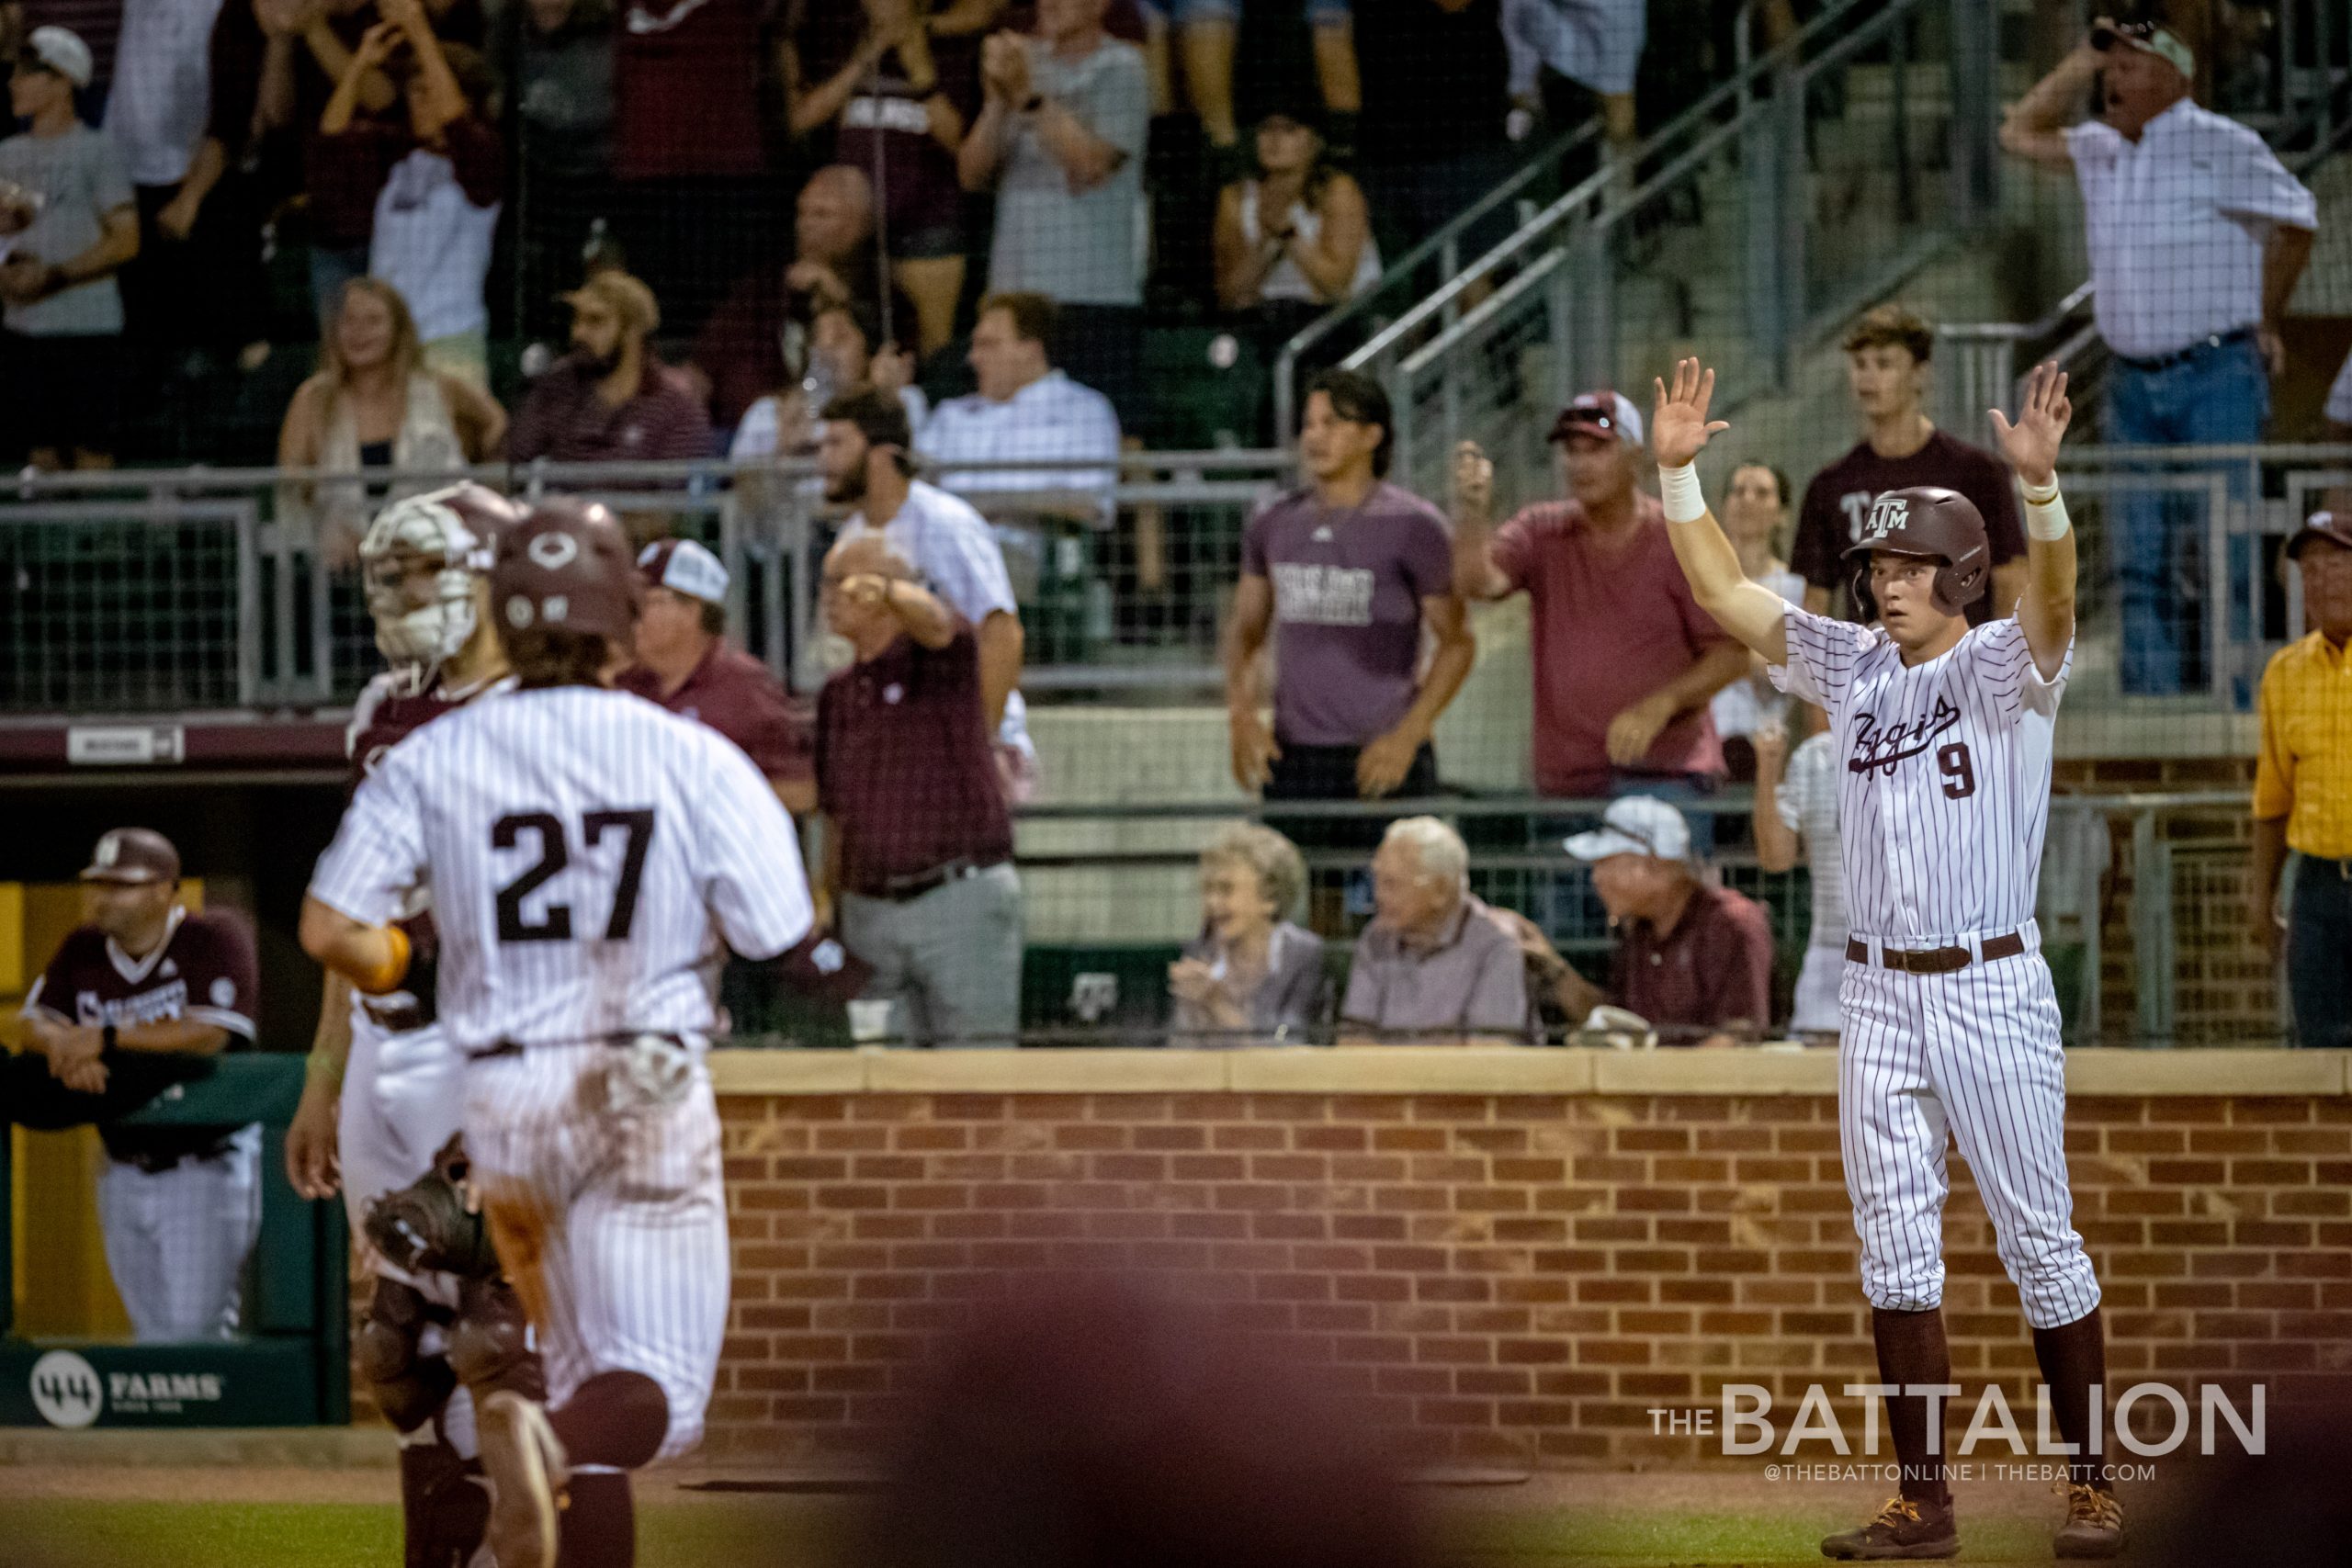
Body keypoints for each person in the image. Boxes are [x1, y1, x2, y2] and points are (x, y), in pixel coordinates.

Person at [1652, 355, 2120, 1558]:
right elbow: (1724, 593)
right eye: (1881, 566)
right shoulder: (1852, 666)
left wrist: (2045, 493)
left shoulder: (1998, 665)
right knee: (1896, 1243)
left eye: (1912, 565)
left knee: (2040, 1237)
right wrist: (1678, 473)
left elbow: (2056, 605)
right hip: (1874, 987)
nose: (1889, 582)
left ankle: (2092, 1480)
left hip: (1990, 979)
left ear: (1963, 571)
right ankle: (1925, 1500)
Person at [302, 497, 815, 1568]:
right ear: (621, 617)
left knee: (468, 1346)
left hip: (496, 1090)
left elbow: (328, 927)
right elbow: (779, 931)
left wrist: (405, 967)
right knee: (650, 1402)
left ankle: (528, 1458)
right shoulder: (687, 750)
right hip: (639, 1074)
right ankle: (540, 1445)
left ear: (499, 606)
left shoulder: (436, 752)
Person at [282, 481, 531, 1568]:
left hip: (482, 1029)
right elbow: (353, 901)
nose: (407, 590)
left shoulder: (543, 704)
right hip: (380, 1032)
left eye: (429, 566)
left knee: (494, 1310)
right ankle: (438, 1544)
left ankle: (516, 1542)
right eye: (395, 571)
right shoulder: (379, 704)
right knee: (398, 1339)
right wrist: (320, 1071)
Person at [2001, 17, 2316, 695]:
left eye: (2131, 66)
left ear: (2178, 77)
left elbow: (2299, 220)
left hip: (2217, 374)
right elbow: (2015, 132)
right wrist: (2083, 59)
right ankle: (2154, 711)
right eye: (2110, 69)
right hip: (2131, 386)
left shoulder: (2222, 143)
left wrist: (2265, 316)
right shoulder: (2100, 147)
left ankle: (2238, 711)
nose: (2115, 78)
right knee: (2137, 559)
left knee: (2227, 547)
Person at [1228, 370, 1473, 916]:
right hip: (1299, 755)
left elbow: (1457, 644)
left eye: (1333, 423)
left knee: (1402, 905)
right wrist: (1242, 714)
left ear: (1373, 435)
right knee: (1309, 909)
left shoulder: (1413, 525)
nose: (1314, 437)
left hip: (1383, 751)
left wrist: (1408, 736)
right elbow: (1244, 632)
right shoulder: (1273, 521)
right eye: (1308, 424)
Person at [14, 829, 261, 1342]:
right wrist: (68, 1048)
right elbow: (31, 1023)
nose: (101, 896)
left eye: (119, 885)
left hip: (204, 1161)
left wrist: (102, 1038)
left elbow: (208, 1033)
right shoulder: (82, 947)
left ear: (163, 890)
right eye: (96, 883)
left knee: (195, 1336)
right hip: (120, 1164)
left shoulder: (210, 937)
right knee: (151, 1338)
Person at [1450, 397, 1747, 815]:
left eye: (1597, 449)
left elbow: (1733, 654)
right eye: (1572, 451)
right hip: (1567, 784)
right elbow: (1478, 583)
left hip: (1665, 778)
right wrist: (1472, 513)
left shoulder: (1678, 537)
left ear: (1636, 457)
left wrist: (1660, 704)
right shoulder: (1541, 530)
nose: (1580, 464)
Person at [814, 532, 1023, 1047]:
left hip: (956, 898)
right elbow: (835, 812)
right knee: (881, 1081)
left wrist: (889, 590)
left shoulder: (941, 663)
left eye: (844, 583)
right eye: (827, 583)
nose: (831, 596)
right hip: (869, 912)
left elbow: (937, 625)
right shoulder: (837, 693)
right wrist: (827, 896)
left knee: (977, 1080)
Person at [822, 385, 1037, 797]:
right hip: (906, 746)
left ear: (881, 455)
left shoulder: (945, 524)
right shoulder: (851, 537)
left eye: (837, 444)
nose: (823, 460)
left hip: (972, 742)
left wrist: (979, 743)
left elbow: (1002, 635)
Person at [957, 0, 1149, 415]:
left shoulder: (1122, 67)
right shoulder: (1022, 63)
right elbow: (971, 174)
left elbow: (1091, 165)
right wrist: (995, 100)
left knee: (1114, 435)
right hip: (1016, 300)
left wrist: (1027, 97)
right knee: (1007, 422)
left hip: (1093, 294)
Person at [1788, 306, 2028, 626]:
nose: (1868, 377)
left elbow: (2011, 581)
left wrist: (2001, 668)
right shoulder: (1830, 485)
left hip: (1962, 668)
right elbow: (1814, 604)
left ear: (1919, 373)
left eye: (1884, 363)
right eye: (1860, 364)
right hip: (1872, 670)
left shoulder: (1977, 472)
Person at [318, 0, 503, 383]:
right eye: (414, 92)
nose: (420, 102)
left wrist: (419, 31)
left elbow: (457, 125)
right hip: (385, 346)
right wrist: (361, 63)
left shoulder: (483, 156)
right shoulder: (396, 158)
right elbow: (333, 136)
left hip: (449, 345)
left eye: (429, 90)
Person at [782, 0, 977, 356]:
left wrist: (921, 73)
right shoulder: (848, 46)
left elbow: (960, 144)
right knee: (848, 334)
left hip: (927, 232)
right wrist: (864, 60)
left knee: (929, 349)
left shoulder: (949, 51)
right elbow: (803, 118)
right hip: (855, 237)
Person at [279, 277, 507, 560]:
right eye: (349, 321)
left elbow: (498, 425)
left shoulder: (440, 388)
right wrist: (323, 532)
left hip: (434, 562)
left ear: (398, 330)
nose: (359, 333)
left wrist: (485, 496)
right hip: (343, 573)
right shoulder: (313, 398)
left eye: (373, 321)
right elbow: (291, 482)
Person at [1529, 795, 1773, 1048]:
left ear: (1654, 864)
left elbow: (1738, 1036)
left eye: (1605, 863)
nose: (1596, 878)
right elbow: (1617, 1020)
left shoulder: (1731, 923)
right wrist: (1552, 969)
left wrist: (1662, 1080)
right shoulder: (1639, 930)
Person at [0, 27, 139, 470]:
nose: (13, 83)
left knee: (92, 452)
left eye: (27, 74)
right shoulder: (6, 154)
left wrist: (56, 274)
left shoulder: (98, 151)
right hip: (23, 330)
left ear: (61, 80)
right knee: (38, 457)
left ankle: (100, 540)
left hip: (87, 329)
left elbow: (125, 239)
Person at [690, 165, 916, 434]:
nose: (806, 224)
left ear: (861, 224)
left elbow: (891, 374)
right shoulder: (763, 290)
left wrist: (840, 300)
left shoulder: (886, 299)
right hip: (755, 433)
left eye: (823, 214)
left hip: (844, 430)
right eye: (803, 213)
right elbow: (701, 369)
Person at [2249, 510, 2352, 1051]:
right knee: (2318, 1052)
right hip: (2315, 891)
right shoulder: (2284, 674)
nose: (2321, 579)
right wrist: (2261, 898)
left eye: (2335, 563)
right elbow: (2273, 799)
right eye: (2309, 570)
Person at [617, 538, 816, 818]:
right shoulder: (622, 684)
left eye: (650, 602)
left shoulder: (746, 689)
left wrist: (710, 795)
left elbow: (801, 791)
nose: (633, 616)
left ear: (692, 611)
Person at [916, 290, 1122, 528]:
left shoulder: (1083, 409)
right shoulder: (951, 414)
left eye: (988, 345)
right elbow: (912, 492)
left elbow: (1089, 503)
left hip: (1034, 554)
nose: (973, 358)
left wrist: (993, 503)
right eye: (974, 345)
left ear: (1031, 349)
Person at [1337, 817, 1529, 1044]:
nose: (1378, 895)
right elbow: (1354, 1040)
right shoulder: (1375, 937)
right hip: (1385, 1079)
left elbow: (1490, 1053)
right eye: (1376, 880)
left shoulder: (1496, 945)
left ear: (1440, 890)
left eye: (1392, 884)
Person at [1212, 101, 1379, 360]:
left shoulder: (1338, 190)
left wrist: (1290, 235)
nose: (1275, 140)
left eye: (1289, 130)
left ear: (1314, 141)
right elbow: (1229, 294)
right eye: (1266, 129)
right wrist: (1267, 242)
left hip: (1334, 323)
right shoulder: (1235, 197)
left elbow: (1335, 287)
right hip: (1264, 323)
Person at [506, 269, 713, 467]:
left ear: (633, 332)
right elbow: (504, 466)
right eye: (577, 320)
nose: (578, 333)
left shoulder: (678, 413)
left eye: (595, 321)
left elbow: (674, 501)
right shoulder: (554, 391)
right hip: (559, 503)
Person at [1167, 823, 1326, 1043]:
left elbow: (1287, 1045)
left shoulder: (1302, 955)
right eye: (1207, 889)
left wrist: (1218, 1005)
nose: (1213, 903)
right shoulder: (1200, 952)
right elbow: (1180, 1049)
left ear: (1269, 898)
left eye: (1226, 889)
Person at [730, 299, 927, 465]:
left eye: (839, 339)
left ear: (869, 351)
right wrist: (784, 453)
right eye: (817, 339)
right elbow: (741, 495)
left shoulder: (901, 400)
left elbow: (917, 476)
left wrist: (883, 401)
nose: (826, 349)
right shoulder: (767, 413)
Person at [1709, 460, 1804, 781]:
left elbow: (1794, 667)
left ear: (1782, 513)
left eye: (1761, 493)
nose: (1747, 499)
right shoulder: (1702, 583)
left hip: (1769, 753)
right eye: (1738, 491)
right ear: (1723, 507)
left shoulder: (1797, 589)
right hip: (1704, 752)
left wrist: (1724, 657)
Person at [1752, 709, 1843, 1039]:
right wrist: (1768, 769)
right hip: (1834, 948)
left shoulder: (1927, 749)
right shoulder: (1814, 759)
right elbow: (1776, 859)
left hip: (1915, 952)